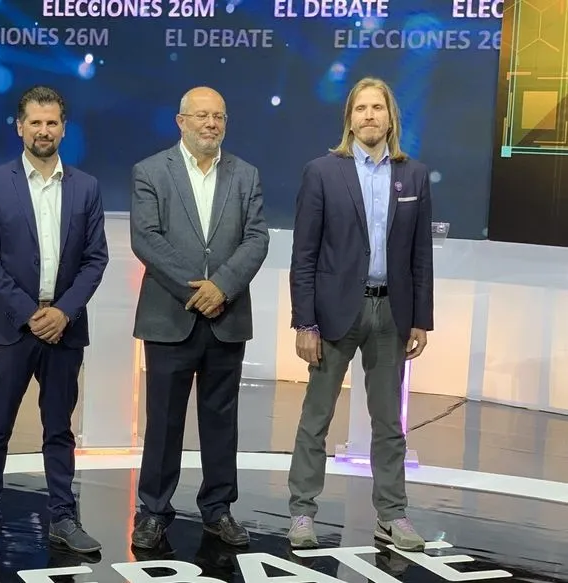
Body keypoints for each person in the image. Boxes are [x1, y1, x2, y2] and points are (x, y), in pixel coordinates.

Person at [286, 76, 433, 552]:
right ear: (349, 118)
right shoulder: (322, 172)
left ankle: (392, 515)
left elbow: (421, 255)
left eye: (377, 108)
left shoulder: (413, 175)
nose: (369, 116)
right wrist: (305, 322)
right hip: (333, 314)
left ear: (390, 118)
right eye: (361, 108)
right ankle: (302, 512)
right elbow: (304, 255)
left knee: (389, 423)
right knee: (316, 417)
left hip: (392, 313)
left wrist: (421, 318)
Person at [0, 85, 109, 562]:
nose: (43, 130)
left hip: (64, 328)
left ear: (64, 129)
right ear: (19, 127)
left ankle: (63, 518)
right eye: (35, 122)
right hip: (12, 328)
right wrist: (30, 313)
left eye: (52, 123)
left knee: (59, 429)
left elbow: (95, 259)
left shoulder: (86, 187)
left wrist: (63, 311)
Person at [129, 86, 270, 549]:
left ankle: (218, 509)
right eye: (202, 116)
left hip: (226, 317)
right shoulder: (151, 171)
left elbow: (256, 238)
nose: (211, 124)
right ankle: (153, 511)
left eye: (219, 117)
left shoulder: (246, 174)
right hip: (171, 316)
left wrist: (221, 287)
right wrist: (199, 290)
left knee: (221, 421)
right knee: (163, 421)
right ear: (181, 121)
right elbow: (146, 238)